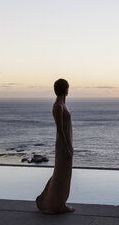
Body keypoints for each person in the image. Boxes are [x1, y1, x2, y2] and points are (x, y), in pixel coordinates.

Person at [36, 78, 75, 214]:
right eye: (67, 88)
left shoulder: (63, 104)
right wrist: (66, 148)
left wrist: (70, 146)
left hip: (67, 143)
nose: (68, 90)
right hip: (63, 145)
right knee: (61, 175)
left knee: (64, 175)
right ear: (65, 89)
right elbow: (60, 130)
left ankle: (59, 202)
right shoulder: (58, 106)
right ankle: (57, 204)